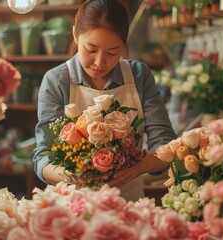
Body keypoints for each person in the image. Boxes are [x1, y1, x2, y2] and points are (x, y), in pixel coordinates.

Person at [33, 0, 175, 201]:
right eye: (91, 49)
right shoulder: (57, 81)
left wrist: (140, 167)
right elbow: (42, 156)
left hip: (129, 203)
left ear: (124, 46)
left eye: (112, 52)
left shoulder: (138, 75)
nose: (100, 62)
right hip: (71, 204)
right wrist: (71, 177)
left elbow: (165, 142)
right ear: (75, 34)